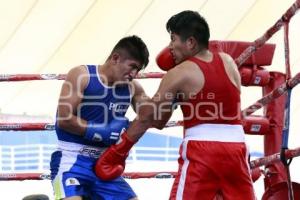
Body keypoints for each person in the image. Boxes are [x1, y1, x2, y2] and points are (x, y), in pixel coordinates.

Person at [95, 11, 256, 200]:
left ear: (190, 43)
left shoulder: (179, 73)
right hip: (238, 149)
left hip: (203, 151)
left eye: (173, 39)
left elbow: (151, 118)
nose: (170, 47)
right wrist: (177, 98)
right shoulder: (228, 61)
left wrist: (117, 152)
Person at [50, 35, 149, 200]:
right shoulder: (82, 75)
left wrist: (171, 99)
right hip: (71, 159)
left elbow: (150, 115)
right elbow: (64, 119)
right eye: (132, 67)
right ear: (115, 58)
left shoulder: (132, 88)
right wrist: (102, 131)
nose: (133, 74)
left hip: (105, 162)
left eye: (137, 70)